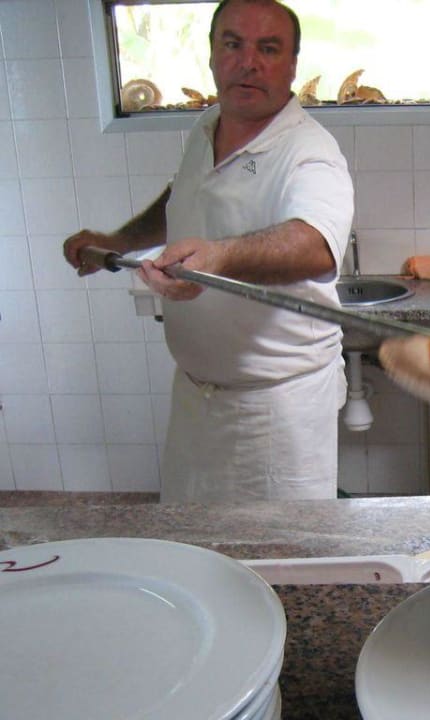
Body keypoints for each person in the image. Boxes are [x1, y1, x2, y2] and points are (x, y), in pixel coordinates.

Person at [62, 0, 354, 503]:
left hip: (275, 411)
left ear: (291, 65)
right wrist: (119, 241)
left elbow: (317, 247)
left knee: (278, 563)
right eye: (233, 44)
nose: (249, 61)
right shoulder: (208, 125)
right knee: (194, 551)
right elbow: (184, 195)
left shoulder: (310, 151)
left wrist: (219, 257)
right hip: (197, 398)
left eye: (268, 48)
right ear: (213, 55)